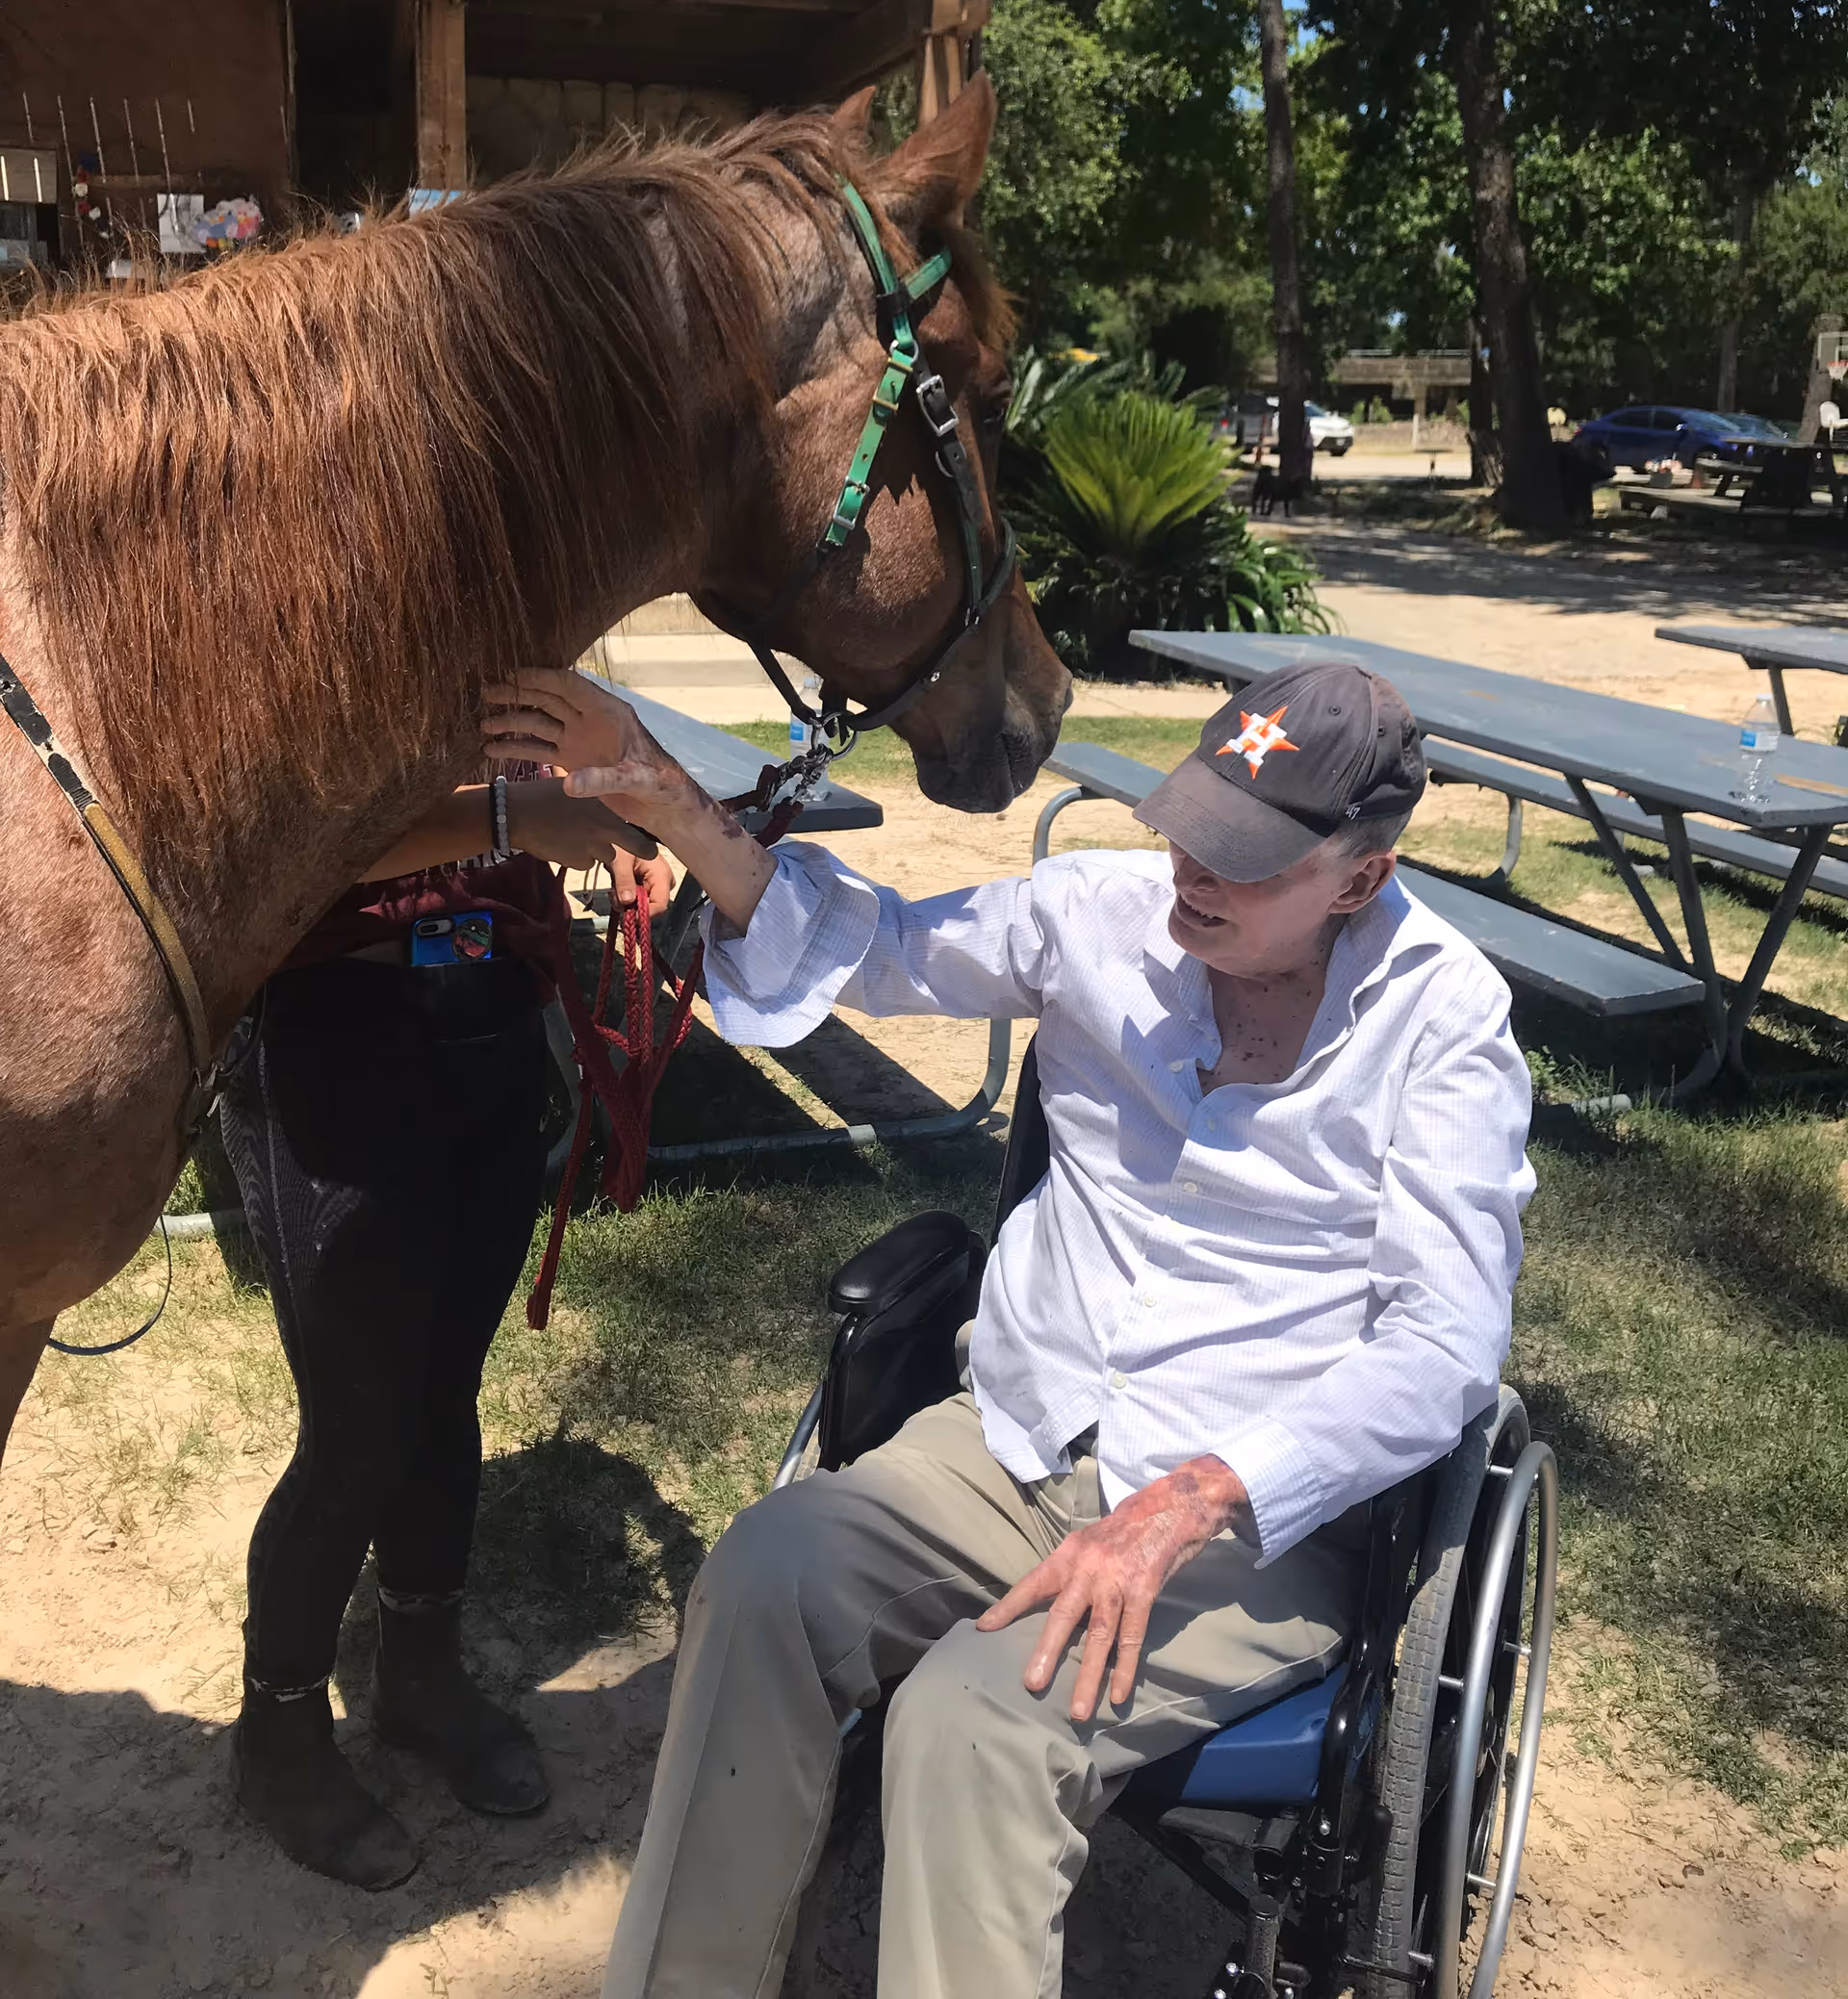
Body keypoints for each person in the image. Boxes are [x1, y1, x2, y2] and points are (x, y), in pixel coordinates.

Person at [479, 658, 1536, 1999]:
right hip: (1019, 1437)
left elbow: (1444, 1349)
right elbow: (875, 946)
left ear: (1361, 879)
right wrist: (673, 802)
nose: (1195, 878)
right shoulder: (1094, 914)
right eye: (1194, 832)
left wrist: (1192, 1501)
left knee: (973, 1725)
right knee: (762, 1576)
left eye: (1250, 863)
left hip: (1239, 1519)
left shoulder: (1445, 1024)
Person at [221, 765, 671, 1891]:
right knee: (357, 1429)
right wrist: (524, 819)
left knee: (441, 1394)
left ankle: (418, 1674)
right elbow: (292, 828)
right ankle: (276, 1735)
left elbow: (555, 770)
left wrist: (611, 815)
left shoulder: (512, 637)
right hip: (334, 1027)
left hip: (487, 1011)